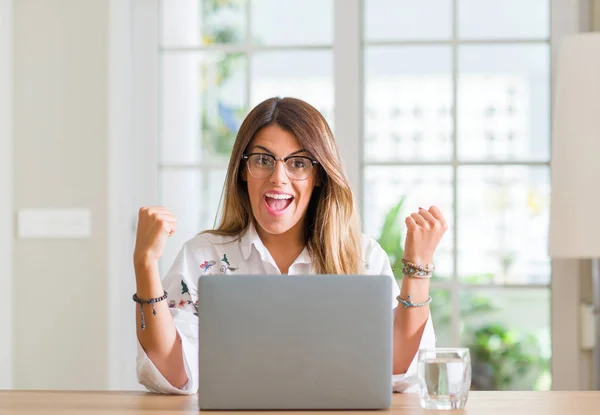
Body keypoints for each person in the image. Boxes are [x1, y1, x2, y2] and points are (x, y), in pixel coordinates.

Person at [133, 97, 447, 394]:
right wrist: (145, 263)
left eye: (298, 163)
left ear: (319, 175)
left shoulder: (362, 256)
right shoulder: (203, 255)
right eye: (262, 160)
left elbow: (400, 371)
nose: (278, 177)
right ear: (243, 170)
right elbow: (172, 376)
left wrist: (418, 269)